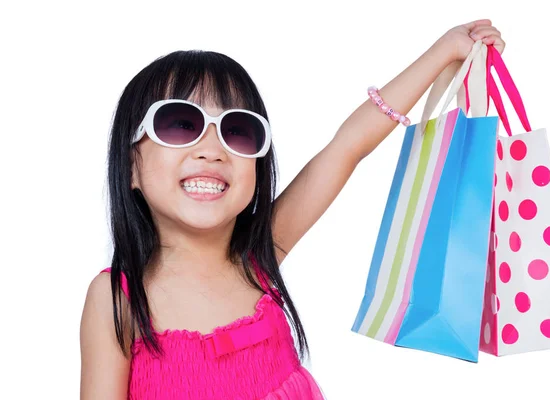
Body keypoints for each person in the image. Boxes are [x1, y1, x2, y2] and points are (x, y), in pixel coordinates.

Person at [79, 19, 504, 399]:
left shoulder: (258, 258)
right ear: (131, 165)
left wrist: (445, 50)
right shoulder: (117, 300)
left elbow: (347, 146)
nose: (211, 150)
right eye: (179, 124)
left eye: (238, 132)